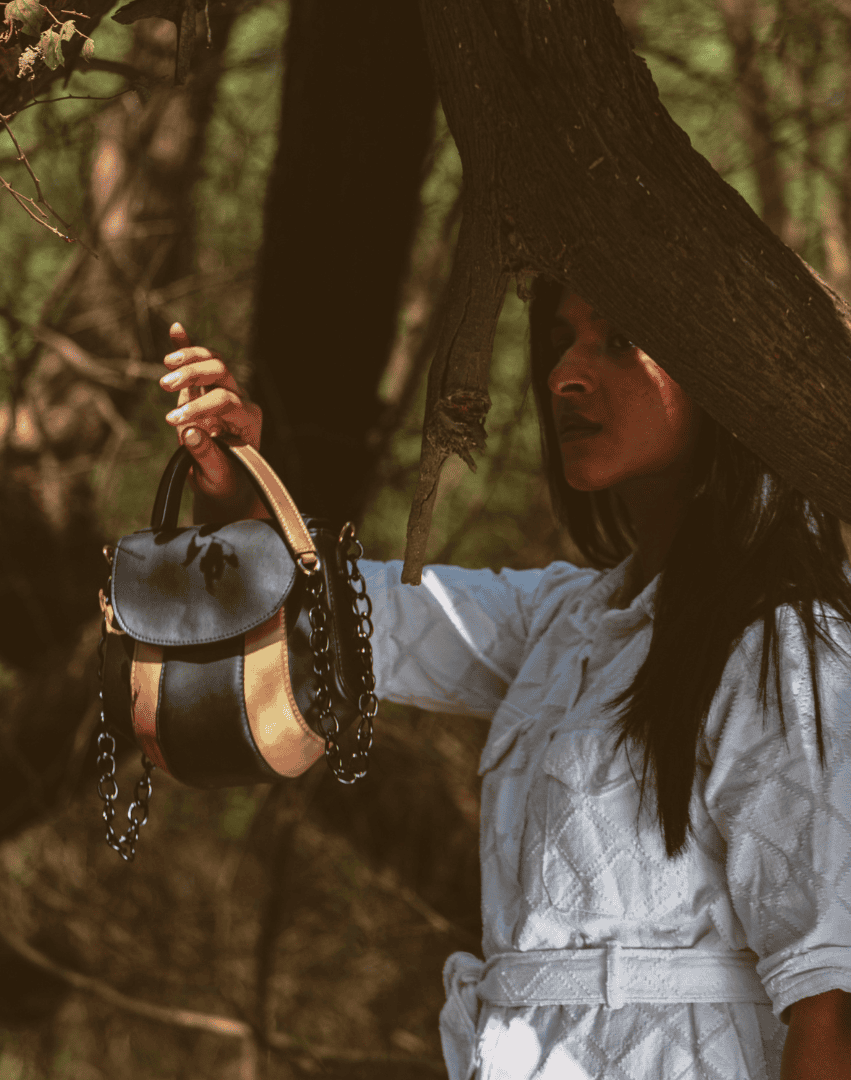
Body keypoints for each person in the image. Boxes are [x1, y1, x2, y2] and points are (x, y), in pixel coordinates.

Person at [158, 278, 851, 1080]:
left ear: (724, 371)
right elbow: (338, 617)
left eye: (620, 340)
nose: (565, 375)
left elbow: (831, 1000)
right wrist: (237, 486)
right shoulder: (564, 622)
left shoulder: (787, 646)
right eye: (561, 341)